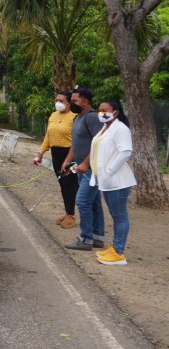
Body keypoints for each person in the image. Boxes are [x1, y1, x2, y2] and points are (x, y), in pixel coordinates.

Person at [90, 100, 137, 266]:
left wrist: (109, 171)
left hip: (118, 181)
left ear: (115, 112)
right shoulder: (106, 128)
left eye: (105, 110)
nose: (101, 113)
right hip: (106, 180)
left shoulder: (120, 129)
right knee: (116, 216)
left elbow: (125, 152)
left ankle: (118, 253)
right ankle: (115, 247)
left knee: (120, 217)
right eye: (99, 110)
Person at [61, 88, 105, 250]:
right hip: (80, 168)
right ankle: (97, 237)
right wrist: (67, 161)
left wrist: (86, 163)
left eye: (74, 101)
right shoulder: (77, 118)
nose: (71, 104)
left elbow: (100, 142)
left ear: (85, 102)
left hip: (91, 169)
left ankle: (86, 239)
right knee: (93, 202)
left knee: (82, 201)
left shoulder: (92, 117)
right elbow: (76, 143)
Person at [35, 91, 78, 228]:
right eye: (56, 100)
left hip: (70, 153)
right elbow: (48, 136)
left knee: (69, 185)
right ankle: (67, 212)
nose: (58, 103)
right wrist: (41, 152)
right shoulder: (53, 115)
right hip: (56, 153)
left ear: (68, 103)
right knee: (62, 185)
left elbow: (77, 139)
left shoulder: (75, 117)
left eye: (61, 100)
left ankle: (71, 216)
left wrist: (69, 159)